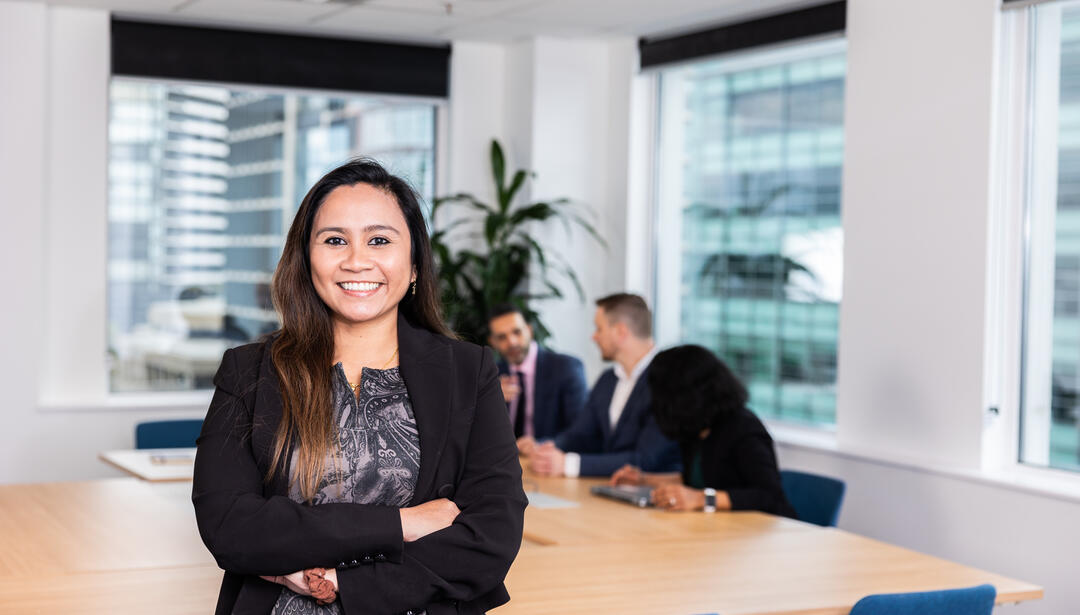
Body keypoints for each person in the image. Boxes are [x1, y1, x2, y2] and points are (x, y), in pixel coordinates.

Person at [191, 159, 527, 615]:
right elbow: (229, 525)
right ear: (306, 259)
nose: (356, 260)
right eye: (334, 240)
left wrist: (340, 581)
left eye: (380, 240)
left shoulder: (468, 371)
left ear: (413, 265)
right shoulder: (248, 371)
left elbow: (491, 536)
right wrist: (402, 524)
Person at [609, 344, 795, 517]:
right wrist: (643, 479)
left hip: (764, 536)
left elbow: (769, 496)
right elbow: (696, 480)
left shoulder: (744, 429)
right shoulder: (696, 429)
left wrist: (701, 499)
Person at [524, 293, 680, 477]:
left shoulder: (670, 380)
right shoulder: (608, 379)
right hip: (608, 490)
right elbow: (581, 435)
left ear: (621, 332)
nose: (594, 337)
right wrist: (546, 447)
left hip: (656, 498)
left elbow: (645, 460)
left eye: (599, 329)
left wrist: (568, 464)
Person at [487, 303, 588, 448]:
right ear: (493, 342)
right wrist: (490, 400)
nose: (512, 342)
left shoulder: (566, 368)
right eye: (502, 337)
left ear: (529, 330)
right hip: (503, 463)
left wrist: (540, 445)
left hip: (546, 461)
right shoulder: (490, 374)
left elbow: (580, 431)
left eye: (517, 332)